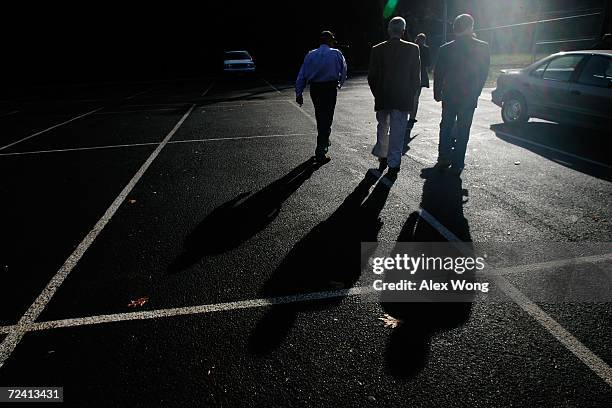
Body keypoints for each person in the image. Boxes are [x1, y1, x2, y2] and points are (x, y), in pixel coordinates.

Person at [433, 14, 490, 174]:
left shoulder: (446, 48)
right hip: (469, 94)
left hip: (450, 93)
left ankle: (444, 156)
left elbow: (439, 73)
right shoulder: (482, 47)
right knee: (464, 128)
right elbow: (484, 72)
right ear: (470, 27)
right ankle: (458, 161)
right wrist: (477, 91)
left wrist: (437, 92)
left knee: (446, 125)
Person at [368, 17, 421, 178]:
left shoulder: (377, 49)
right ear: (403, 31)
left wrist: (377, 93)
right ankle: (393, 163)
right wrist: (411, 95)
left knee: (382, 127)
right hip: (402, 97)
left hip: (383, 96)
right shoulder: (413, 49)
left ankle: (382, 156)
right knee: (398, 132)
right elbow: (415, 78)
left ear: (389, 30)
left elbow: (372, 77)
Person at [295, 31, 347, 162]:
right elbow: (344, 70)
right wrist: (340, 83)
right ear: (330, 41)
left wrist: (299, 92)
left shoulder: (311, 54)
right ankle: (321, 148)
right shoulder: (336, 53)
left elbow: (302, 74)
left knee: (320, 116)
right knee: (327, 117)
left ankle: (323, 142)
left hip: (316, 89)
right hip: (329, 88)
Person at [408, 33, 431, 127]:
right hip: (419, 73)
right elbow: (428, 63)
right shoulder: (425, 49)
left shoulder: (411, 47)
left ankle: (411, 116)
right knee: (415, 97)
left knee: (413, 96)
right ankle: (412, 116)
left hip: (413, 73)